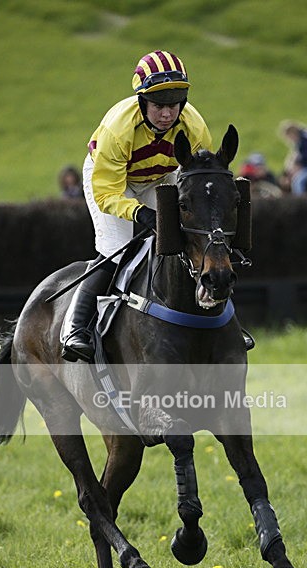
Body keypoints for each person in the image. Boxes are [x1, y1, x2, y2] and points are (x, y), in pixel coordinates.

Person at [62, 50, 212, 362]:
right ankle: (75, 327)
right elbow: (107, 194)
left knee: (192, 235)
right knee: (116, 247)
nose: (167, 114)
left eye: (174, 104)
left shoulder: (194, 126)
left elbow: (198, 177)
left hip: (160, 175)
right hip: (113, 181)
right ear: (142, 101)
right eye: (158, 105)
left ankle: (215, 315)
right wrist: (141, 213)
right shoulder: (118, 130)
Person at [278, 120, 307, 194]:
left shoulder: (306, 141)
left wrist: (298, 162)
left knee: (298, 181)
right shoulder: (304, 140)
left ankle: (300, 198)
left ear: (292, 134)